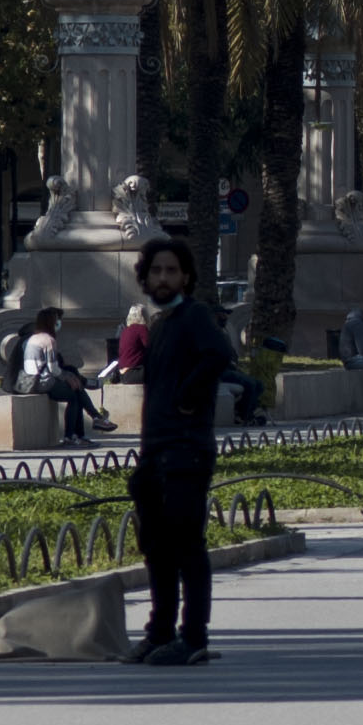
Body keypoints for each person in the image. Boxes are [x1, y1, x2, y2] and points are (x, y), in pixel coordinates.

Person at [123, 236, 236, 666]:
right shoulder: (161, 323)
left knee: (187, 545)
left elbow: (217, 355)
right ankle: (159, 632)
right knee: (156, 547)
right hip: (157, 450)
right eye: (156, 271)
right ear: (145, 277)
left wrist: (188, 399)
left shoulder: (194, 316)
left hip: (186, 451)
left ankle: (193, 637)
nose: (163, 278)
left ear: (186, 276)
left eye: (171, 271)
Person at [17, 308, 104, 445]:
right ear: (51, 322)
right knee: (74, 396)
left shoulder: (31, 338)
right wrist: (68, 377)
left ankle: (87, 426)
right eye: (57, 320)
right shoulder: (48, 340)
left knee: (74, 385)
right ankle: (76, 433)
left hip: (29, 381)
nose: (59, 323)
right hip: (42, 382)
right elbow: (53, 369)